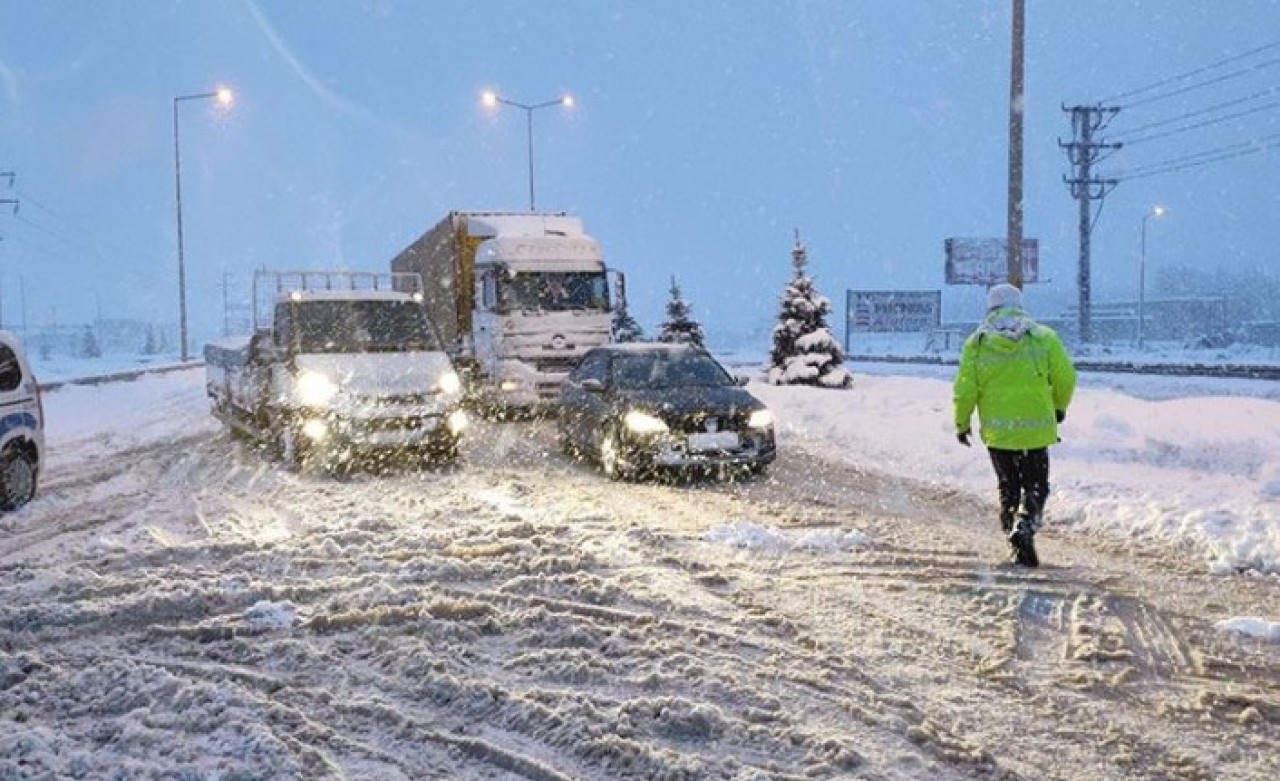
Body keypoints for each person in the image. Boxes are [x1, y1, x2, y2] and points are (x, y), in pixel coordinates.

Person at [953, 283, 1076, 566]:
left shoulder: (977, 343)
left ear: (990, 308)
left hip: (999, 433)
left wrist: (962, 423)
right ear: (1019, 306)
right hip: (1035, 430)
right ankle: (1026, 522)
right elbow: (1066, 378)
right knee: (1036, 486)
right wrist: (1059, 407)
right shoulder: (1044, 338)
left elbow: (965, 389)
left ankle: (1014, 535)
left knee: (1008, 487)